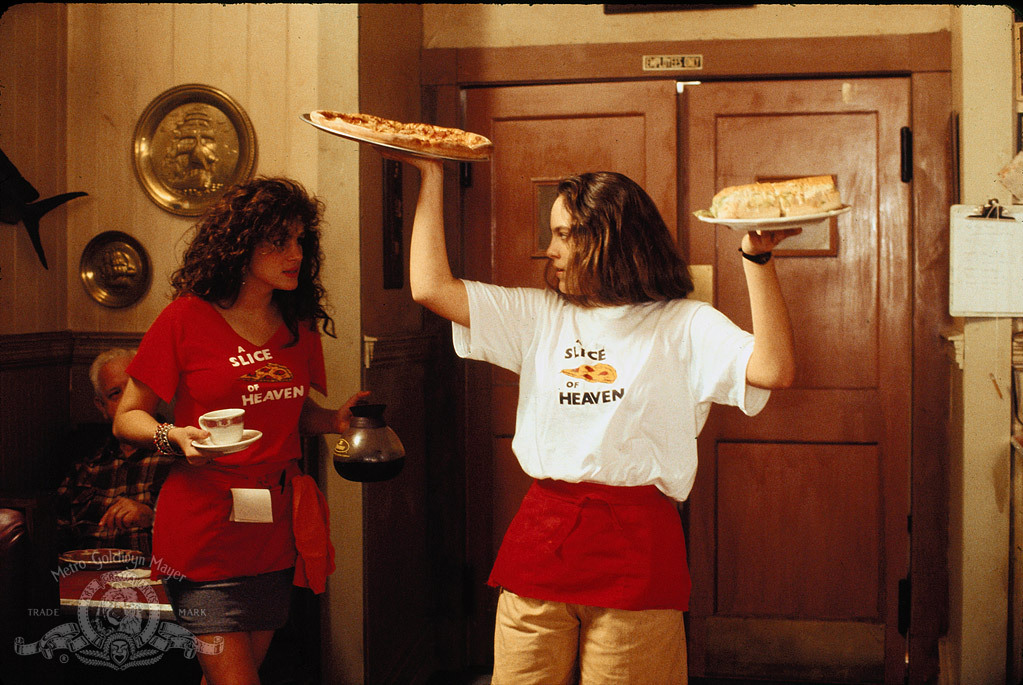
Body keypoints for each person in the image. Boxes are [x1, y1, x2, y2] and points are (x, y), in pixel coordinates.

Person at [391, 151, 799, 684]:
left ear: (608, 237)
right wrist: (432, 176)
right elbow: (431, 288)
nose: (550, 249)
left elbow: (774, 369)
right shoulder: (538, 315)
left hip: (637, 553)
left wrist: (757, 261)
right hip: (542, 542)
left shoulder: (683, 323)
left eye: (563, 234)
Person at [112, 177, 368, 685]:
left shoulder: (297, 325)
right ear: (240, 245)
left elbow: (291, 412)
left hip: (273, 531)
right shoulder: (184, 318)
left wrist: (333, 421)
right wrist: (175, 437)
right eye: (279, 241)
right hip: (203, 531)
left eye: (299, 240)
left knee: (230, 677)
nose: (294, 252)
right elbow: (127, 416)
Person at [55, 348, 175, 557]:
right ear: (101, 406)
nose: (127, 401)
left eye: (134, 389)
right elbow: (54, 534)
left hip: (155, 577)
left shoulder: (179, 458)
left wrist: (152, 518)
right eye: (115, 394)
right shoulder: (87, 467)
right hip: (88, 578)